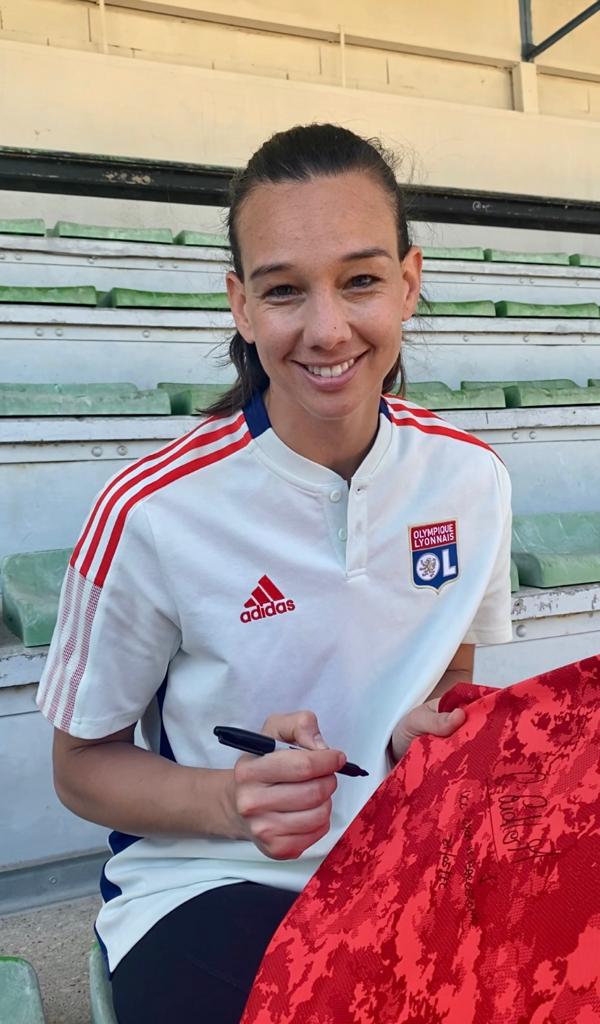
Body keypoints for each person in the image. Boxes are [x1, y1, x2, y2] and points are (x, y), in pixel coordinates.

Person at [36, 123, 513, 1024]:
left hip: (405, 862)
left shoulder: (471, 479)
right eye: (285, 290)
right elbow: (79, 767)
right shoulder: (149, 512)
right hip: (209, 879)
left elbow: (446, 676)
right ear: (241, 307)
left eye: (361, 279)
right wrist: (228, 796)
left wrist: (420, 738)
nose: (327, 328)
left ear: (409, 283)